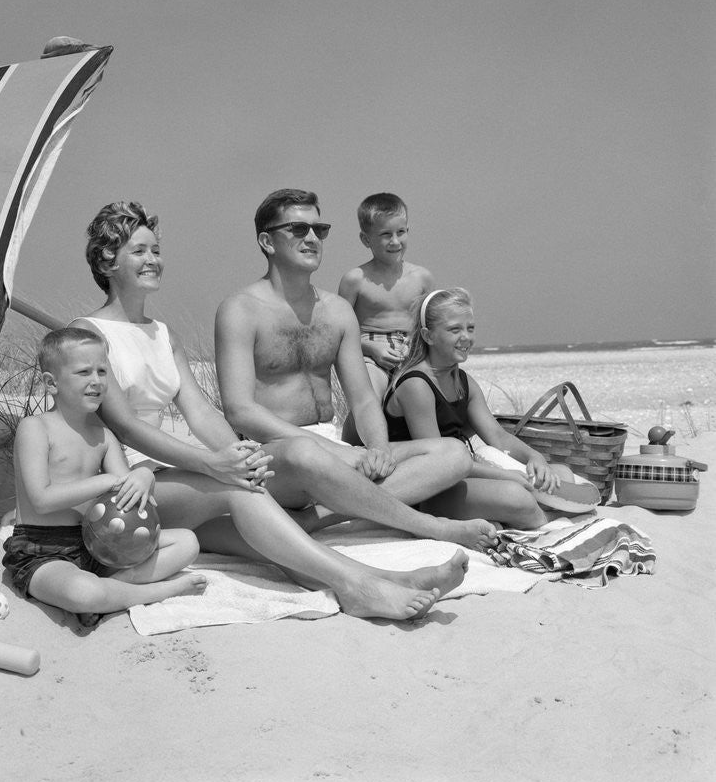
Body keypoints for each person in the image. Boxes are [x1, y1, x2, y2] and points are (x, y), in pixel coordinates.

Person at [70, 201, 471, 623]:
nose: (153, 260)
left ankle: (375, 579)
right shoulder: (88, 334)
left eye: (155, 250)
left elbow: (202, 414)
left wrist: (241, 457)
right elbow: (127, 427)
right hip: (125, 486)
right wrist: (214, 464)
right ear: (106, 260)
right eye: (139, 251)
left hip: (168, 477)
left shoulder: (161, 334)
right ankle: (366, 581)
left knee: (249, 489)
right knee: (239, 491)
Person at [215, 188, 497, 551]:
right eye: (298, 230)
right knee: (305, 453)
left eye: (320, 229)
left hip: (333, 447)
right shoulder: (240, 309)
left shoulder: (336, 311)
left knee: (453, 454)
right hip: (277, 454)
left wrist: (377, 449)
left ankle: (316, 519)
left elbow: (363, 400)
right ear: (267, 241)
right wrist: (334, 452)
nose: (313, 238)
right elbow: (240, 410)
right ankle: (429, 526)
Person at [2, 328, 207, 623]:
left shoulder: (104, 436)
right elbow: (42, 499)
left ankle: (115, 588)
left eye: (102, 371)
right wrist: (106, 481)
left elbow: (126, 489)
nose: (96, 381)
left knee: (187, 542)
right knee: (84, 593)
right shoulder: (35, 427)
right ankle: (157, 591)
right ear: (51, 383)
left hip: (97, 545)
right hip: (42, 551)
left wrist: (144, 476)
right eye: (84, 372)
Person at [383, 288, 598, 528]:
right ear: (428, 335)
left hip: (461, 475)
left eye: (470, 328)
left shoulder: (463, 381)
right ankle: (543, 519)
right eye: (455, 329)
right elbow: (437, 466)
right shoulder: (416, 385)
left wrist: (535, 458)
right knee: (517, 497)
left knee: (561, 474)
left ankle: (511, 515)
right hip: (430, 492)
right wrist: (509, 476)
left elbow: (497, 436)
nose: (466, 337)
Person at [338, 192, 435, 403]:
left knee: (428, 394)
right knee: (370, 395)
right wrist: (371, 348)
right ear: (366, 239)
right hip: (370, 355)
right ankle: (360, 436)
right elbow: (339, 332)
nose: (395, 241)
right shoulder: (355, 279)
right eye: (385, 234)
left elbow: (432, 324)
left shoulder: (422, 278)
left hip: (412, 354)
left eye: (401, 232)